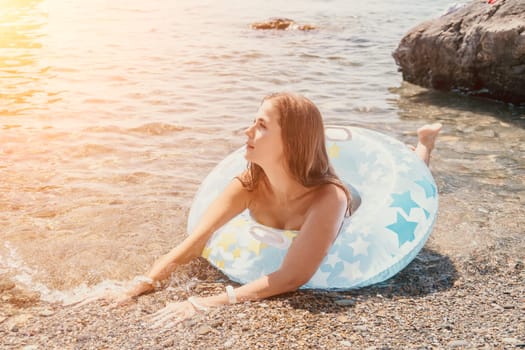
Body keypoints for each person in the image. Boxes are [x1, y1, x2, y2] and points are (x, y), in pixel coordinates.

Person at [76, 92, 442, 327]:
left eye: (261, 125)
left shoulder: (329, 199)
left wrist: (209, 301)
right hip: (302, 183)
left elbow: (291, 278)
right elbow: (195, 243)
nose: (247, 131)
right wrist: (141, 284)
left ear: (291, 141)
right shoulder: (248, 185)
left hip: (358, 203)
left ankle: (424, 146)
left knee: (415, 170)